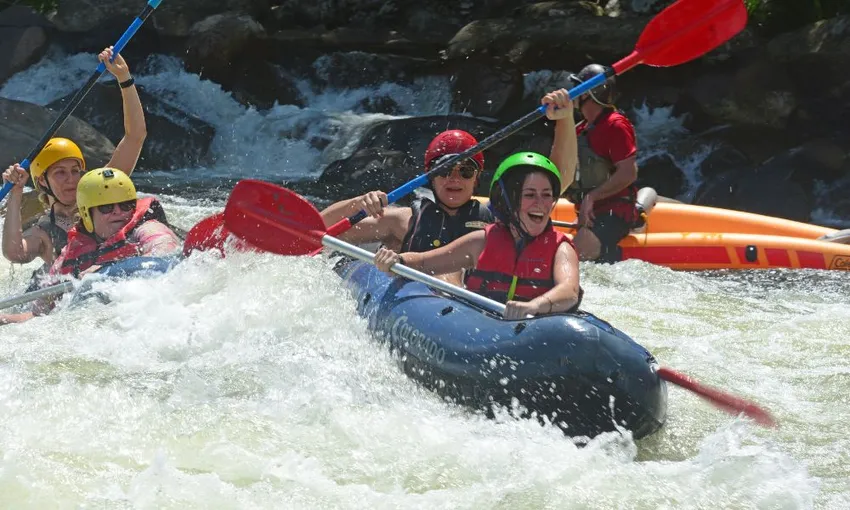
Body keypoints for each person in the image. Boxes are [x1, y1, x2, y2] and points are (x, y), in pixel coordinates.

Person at [373, 152, 582, 320]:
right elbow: (425, 262)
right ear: (506, 201)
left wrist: (535, 306)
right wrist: (397, 260)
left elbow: (569, 290)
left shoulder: (561, 248)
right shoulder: (482, 241)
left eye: (547, 195)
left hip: (538, 328)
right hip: (481, 325)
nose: (540, 203)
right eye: (529, 195)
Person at [2, 46, 147, 275]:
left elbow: (135, 136)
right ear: (42, 182)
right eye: (60, 172)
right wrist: (16, 192)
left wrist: (124, 79)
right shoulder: (44, 231)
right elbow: (15, 253)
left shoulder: (103, 192)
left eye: (75, 170)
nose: (72, 179)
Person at [1, 168, 180, 325]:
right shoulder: (70, 253)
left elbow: (167, 259)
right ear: (87, 214)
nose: (118, 211)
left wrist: (108, 270)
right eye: (106, 207)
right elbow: (40, 315)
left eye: (126, 205)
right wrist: (5, 319)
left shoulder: (147, 229)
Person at [320, 129, 494, 284]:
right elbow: (323, 230)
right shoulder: (404, 219)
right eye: (445, 170)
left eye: (466, 172)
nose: (455, 178)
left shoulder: (495, 225)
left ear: (476, 178)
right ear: (431, 177)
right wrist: (356, 204)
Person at [564, 64, 640, 263]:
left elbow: (628, 173)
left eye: (578, 89)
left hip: (615, 212)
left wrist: (592, 197)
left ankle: (611, 253)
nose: (573, 93)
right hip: (591, 210)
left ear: (590, 94)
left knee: (578, 252)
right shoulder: (582, 128)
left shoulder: (615, 125)